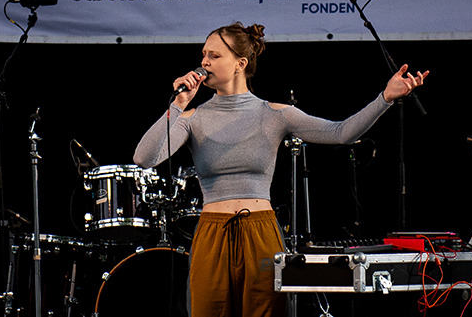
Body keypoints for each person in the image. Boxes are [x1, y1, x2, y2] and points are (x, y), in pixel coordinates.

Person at [133, 22, 427, 317]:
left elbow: (341, 133)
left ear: (240, 64)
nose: (204, 62)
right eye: (203, 55)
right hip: (212, 232)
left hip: (260, 230)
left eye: (214, 56)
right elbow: (144, 158)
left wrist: (385, 99)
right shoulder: (192, 117)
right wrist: (179, 104)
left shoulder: (274, 113)